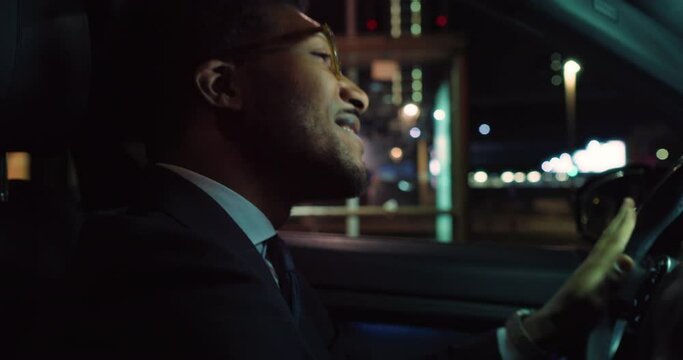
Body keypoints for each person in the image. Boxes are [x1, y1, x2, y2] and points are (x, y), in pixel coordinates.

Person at [66, 0, 638, 358]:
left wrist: (537, 332)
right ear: (224, 86)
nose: (357, 94)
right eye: (321, 58)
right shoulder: (164, 260)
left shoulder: (242, 246)